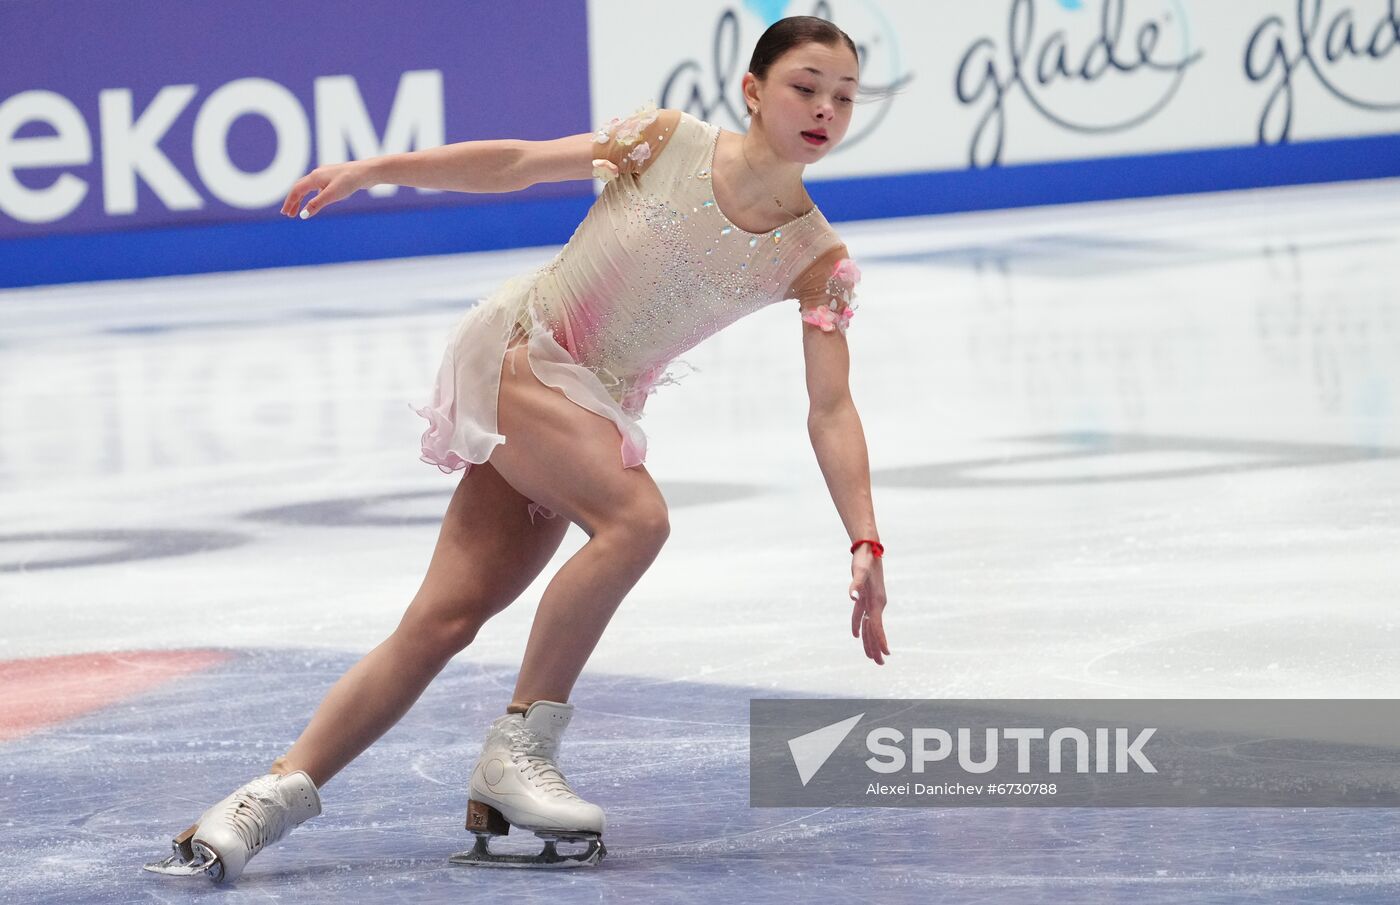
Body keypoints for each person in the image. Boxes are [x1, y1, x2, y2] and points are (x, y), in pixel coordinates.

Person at [145, 14, 889, 881]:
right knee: (637, 518)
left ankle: (258, 803)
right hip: (523, 358)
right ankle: (519, 749)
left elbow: (831, 406)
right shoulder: (663, 141)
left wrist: (865, 536)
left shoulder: (815, 257)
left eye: (844, 97)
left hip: (583, 412)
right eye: (806, 86)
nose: (825, 110)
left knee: (441, 622)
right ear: (753, 90)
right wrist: (379, 170)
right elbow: (517, 162)